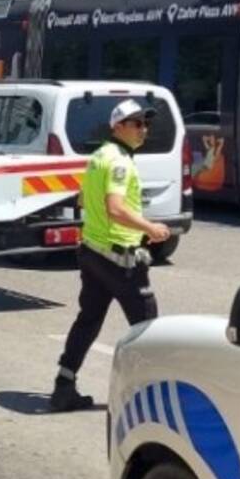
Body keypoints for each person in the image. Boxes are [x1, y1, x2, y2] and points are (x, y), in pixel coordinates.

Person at [50, 98, 171, 413]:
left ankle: (64, 386)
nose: (143, 129)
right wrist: (150, 228)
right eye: (136, 124)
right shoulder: (119, 161)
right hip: (120, 260)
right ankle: (152, 403)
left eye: (145, 123)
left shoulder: (98, 157)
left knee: (88, 320)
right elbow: (115, 209)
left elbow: (82, 200)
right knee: (148, 331)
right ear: (118, 127)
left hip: (92, 253)